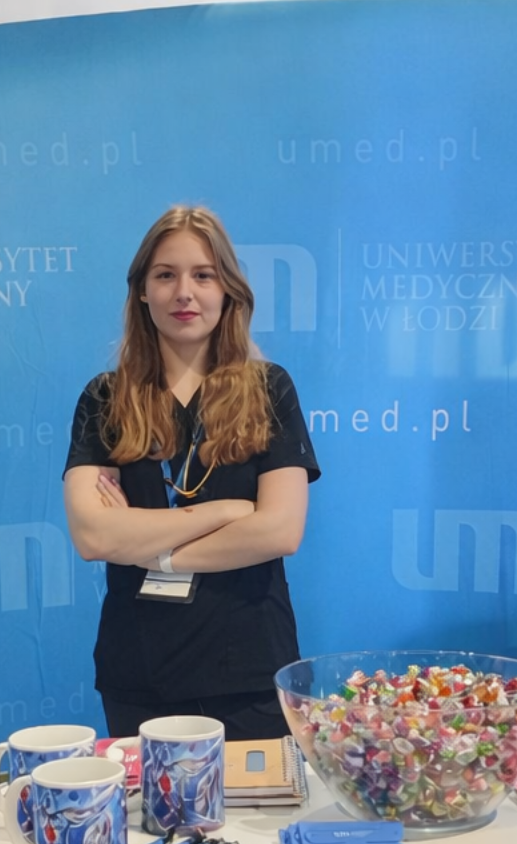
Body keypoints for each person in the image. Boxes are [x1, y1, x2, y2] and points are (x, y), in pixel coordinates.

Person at [62, 205, 320, 740]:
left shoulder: (270, 389)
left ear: (227, 289)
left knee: (258, 825)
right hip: (138, 672)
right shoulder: (103, 399)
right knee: (152, 825)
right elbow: (92, 535)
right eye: (166, 275)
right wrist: (222, 513)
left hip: (249, 669)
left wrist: (142, 542)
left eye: (203, 275)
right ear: (141, 290)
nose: (185, 292)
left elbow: (279, 530)